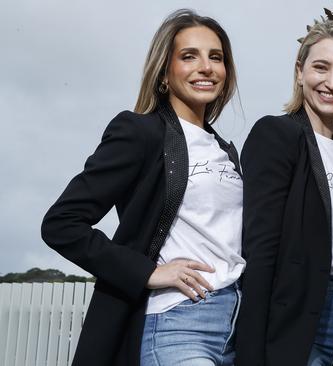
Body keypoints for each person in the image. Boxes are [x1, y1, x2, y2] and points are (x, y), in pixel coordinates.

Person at [41, 9, 243, 366]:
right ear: (165, 71)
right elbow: (61, 223)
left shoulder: (226, 151)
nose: (206, 67)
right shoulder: (139, 133)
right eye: (189, 56)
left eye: (216, 57)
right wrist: (146, 271)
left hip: (235, 327)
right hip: (177, 323)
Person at [235, 20, 333, 366]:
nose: (332, 83)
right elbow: (259, 250)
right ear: (300, 72)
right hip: (297, 319)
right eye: (320, 67)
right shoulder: (276, 135)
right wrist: (250, 353)